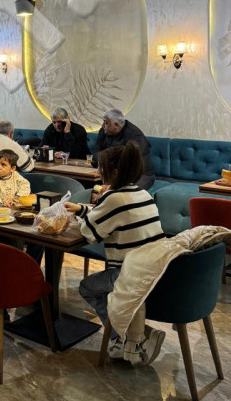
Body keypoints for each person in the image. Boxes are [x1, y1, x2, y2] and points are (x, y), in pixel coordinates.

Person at [64, 141, 166, 365]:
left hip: (129, 273)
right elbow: (109, 216)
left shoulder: (114, 198)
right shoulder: (142, 193)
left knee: (88, 288)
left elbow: (90, 233)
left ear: (115, 172)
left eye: (101, 168)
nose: (98, 172)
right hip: (154, 268)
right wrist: (82, 209)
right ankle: (134, 336)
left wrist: (84, 214)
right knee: (98, 287)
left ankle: (123, 338)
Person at [92, 108, 155, 190]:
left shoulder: (134, 135)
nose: (103, 125)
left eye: (106, 123)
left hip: (140, 174)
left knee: (126, 191)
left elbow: (133, 162)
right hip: (112, 172)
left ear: (116, 125)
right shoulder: (104, 131)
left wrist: (106, 160)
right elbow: (96, 152)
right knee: (93, 188)